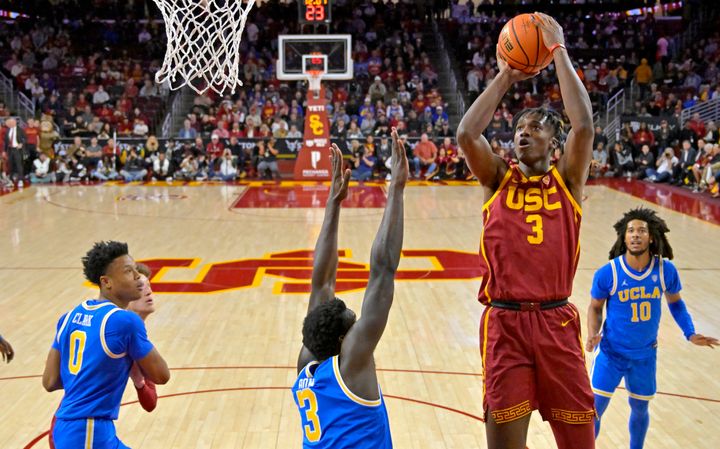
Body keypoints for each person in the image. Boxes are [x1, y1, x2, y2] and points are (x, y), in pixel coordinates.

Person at [456, 13, 596, 449]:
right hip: (505, 323)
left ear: (555, 146)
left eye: (534, 128)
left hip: (556, 322)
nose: (523, 134)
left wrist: (557, 52)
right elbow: (466, 133)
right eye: (518, 128)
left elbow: (585, 127)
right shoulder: (496, 178)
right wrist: (504, 77)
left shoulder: (568, 181)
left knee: (579, 443)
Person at [292, 128, 407, 448]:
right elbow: (383, 270)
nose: (346, 307)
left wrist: (333, 202)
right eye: (350, 319)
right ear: (346, 339)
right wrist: (396, 189)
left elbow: (322, 281)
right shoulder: (352, 363)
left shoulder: (308, 364)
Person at [587, 207, 718, 449]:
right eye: (631, 231)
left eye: (641, 230)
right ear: (623, 238)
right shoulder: (609, 273)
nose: (635, 235)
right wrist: (593, 334)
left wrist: (690, 333)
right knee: (594, 411)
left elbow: (676, 303)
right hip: (610, 353)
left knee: (640, 407)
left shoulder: (665, 270)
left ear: (651, 237)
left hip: (645, 356)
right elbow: (595, 308)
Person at [42, 241, 170, 449]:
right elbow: (162, 376)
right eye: (129, 272)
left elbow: (50, 381)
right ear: (106, 281)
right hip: (88, 431)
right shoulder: (125, 322)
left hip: (71, 428)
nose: (137, 277)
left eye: (136, 270)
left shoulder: (68, 317)